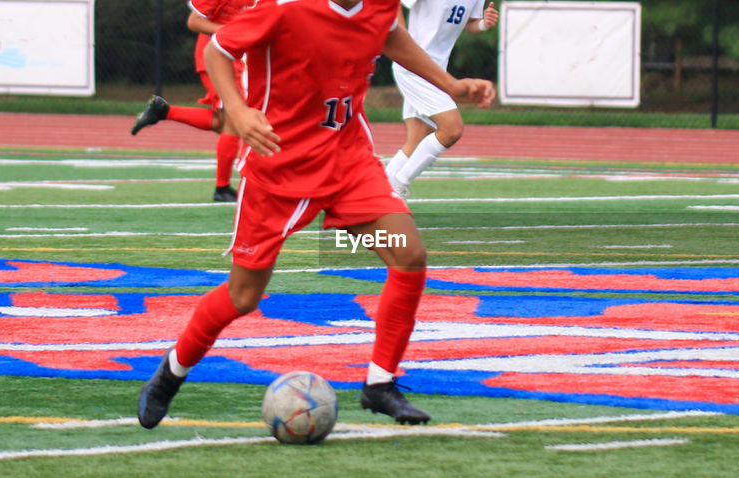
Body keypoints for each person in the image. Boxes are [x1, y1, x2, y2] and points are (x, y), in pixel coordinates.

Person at [137, 0, 495, 429]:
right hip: (279, 171)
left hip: (349, 165)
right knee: (242, 297)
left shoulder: (378, 5)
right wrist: (236, 109)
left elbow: (391, 35)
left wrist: (450, 85)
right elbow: (218, 50)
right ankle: (170, 374)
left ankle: (380, 384)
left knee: (407, 254)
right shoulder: (284, 8)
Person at [130, 0, 254, 203]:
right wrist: (230, 32)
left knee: (225, 122)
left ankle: (163, 111)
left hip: (235, 57)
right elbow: (195, 21)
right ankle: (222, 188)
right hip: (217, 57)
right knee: (234, 120)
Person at [383, 0, 497, 198]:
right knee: (452, 129)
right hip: (413, 66)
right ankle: (399, 185)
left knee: (416, 141)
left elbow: (470, 25)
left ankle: (378, 195)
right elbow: (393, 5)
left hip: (436, 70)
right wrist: (404, 47)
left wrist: (483, 24)